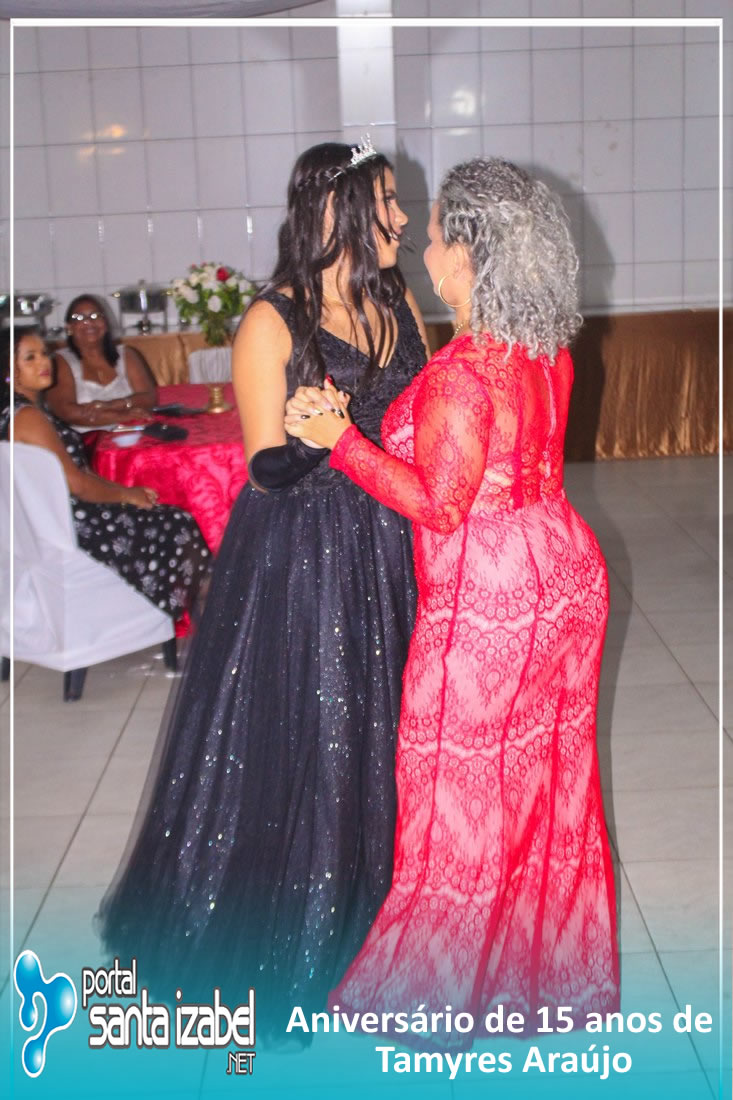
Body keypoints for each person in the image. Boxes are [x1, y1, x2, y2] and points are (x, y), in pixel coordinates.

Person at [96, 140, 428, 1039]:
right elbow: (265, 469)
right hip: (309, 557)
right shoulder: (271, 322)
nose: (401, 216)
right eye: (385, 201)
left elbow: (420, 419)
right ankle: (299, 943)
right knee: (319, 738)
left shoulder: (395, 299)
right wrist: (321, 439)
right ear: (335, 211)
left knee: (391, 733)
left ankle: (383, 932)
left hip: (395, 541)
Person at [285, 157, 619, 1046]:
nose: (421, 248)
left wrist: (337, 438)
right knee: (544, 788)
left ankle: (431, 1001)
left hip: (491, 595)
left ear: (466, 255)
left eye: (432, 236)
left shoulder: (466, 370)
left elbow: (439, 504)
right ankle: (539, 981)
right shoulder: (542, 349)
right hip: (565, 570)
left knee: (454, 796)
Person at [1, 326, 210, 619]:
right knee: (176, 523)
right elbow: (75, 483)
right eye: (30, 358)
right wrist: (127, 494)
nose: (44, 362)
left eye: (44, 353)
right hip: (69, 529)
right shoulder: (28, 417)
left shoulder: (15, 412)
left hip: (48, 522)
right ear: (8, 371)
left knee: (162, 516)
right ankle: (196, 619)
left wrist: (120, 492)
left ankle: (178, 615)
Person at [46, 293, 156, 431]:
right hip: (86, 440)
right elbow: (67, 412)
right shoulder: (60, 361)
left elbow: (148, 398)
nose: (89, 322)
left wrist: (112, 405)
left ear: (106, 323)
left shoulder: (127, 354)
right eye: (79, 318)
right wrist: (122, 416)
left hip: (132, 433)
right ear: (69, 328)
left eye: (95, 316)